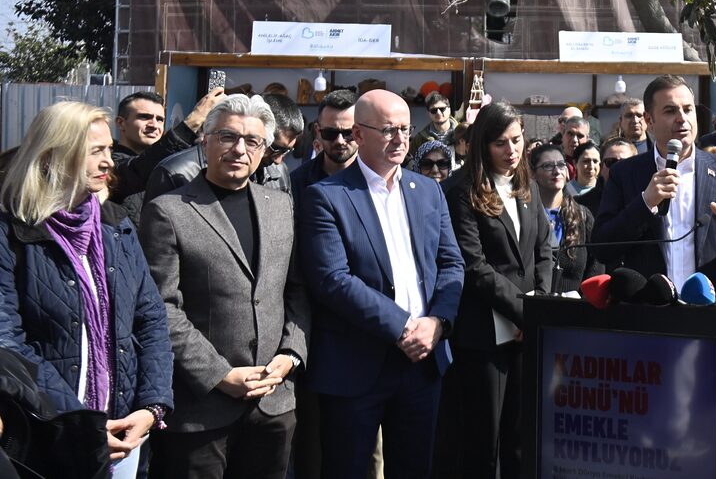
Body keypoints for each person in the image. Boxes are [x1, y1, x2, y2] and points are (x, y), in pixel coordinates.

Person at [138, 93, 309, 479]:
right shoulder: (169, 210)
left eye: (252, 141)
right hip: (202, 410)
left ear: (265, 150)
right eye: (227, 136)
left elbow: (297, 289)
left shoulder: (281, 206)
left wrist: (291, 353)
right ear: (205, 140)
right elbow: (160, 306)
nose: (239, 149)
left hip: (273, 402)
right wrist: (219, 375)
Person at [0, 101, 174, 479]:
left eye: (109, 149)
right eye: (95, 151)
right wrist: (80, 422)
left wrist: (152, 406)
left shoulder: (116, 225)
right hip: (46, 434)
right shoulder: (12, 231)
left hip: (124, 431)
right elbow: (7, 342)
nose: (109, 161)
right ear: (54, 155)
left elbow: (151, 319)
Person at [298, 88, 465, 479]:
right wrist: (405, 326)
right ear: (358, 134)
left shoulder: (428, 191)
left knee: (415, 468)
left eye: (405, 129)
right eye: (388, 130)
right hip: (357, 366)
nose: (400, 139)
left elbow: (451, 264)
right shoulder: (325, 197)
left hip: (423, 363)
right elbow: (333, 280)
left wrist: (437, 323)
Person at [444, 102, 553, 479]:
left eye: (517, 140)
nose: (512, 151)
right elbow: (474, 266)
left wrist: (538, 301)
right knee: (482, 442)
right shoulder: (460, 190)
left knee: (521, 438)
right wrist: (523, 311)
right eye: (501, 143)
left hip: (526, 331)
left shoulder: (527, 185)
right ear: (481, 145)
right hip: (484, 334)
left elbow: (543, 250)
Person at [594, 75, 716, 301]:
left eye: (688, 109)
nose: (682, 119)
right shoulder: (625, 173)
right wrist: (644, 203)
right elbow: (602, 247)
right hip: (647, 310)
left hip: (712, 314)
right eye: (670, 111)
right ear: (649, 120)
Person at [142, 92, 303, 207]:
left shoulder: (279, 172)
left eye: (286, 151)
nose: (278, 159)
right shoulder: (174, 173)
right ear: (206, 141)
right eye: (229, 137)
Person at [109, 87, 227, 203]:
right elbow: (138, 170)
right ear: (121, 123)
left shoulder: (171, 162)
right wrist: (194, 121)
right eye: (144, 117)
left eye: (160, 119)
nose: (154, 125)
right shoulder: (108, 165)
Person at [533, 144, 600, 294]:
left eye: (561, 165)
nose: (556, 171)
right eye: (548, 166)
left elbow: (595, 266)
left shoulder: (582, 216)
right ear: (534, 173)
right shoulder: (525, 215)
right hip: (534, 306)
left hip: (576, 310)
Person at [564, 141, 604, 216]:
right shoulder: (565, 191)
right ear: (575, 163)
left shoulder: (605, 190)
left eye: (595, 161)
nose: (591, 166)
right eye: (586, 161)